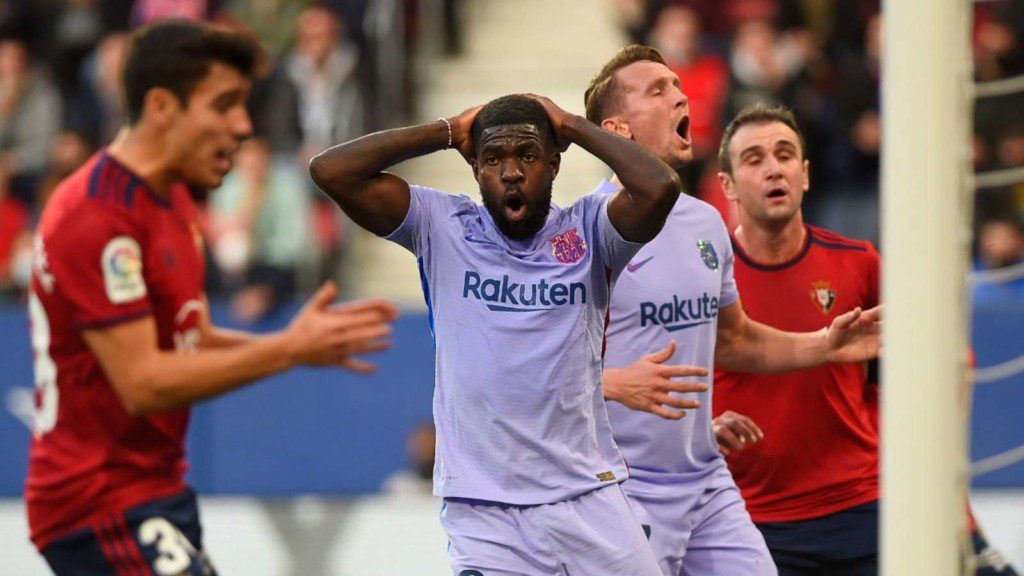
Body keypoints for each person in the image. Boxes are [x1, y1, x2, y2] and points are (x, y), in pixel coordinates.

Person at [25, 21, 397, 576]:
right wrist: (288, 350)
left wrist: (294, 343)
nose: (243, 126)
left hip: (152, 489)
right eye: (224, 105)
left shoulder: (171, 199)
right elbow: (143, 381)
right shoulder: (95, 215)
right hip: (94, 500)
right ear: (160, 106)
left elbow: (189, 339)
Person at [309, 92, 682, 575]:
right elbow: (330, 171)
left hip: (587, 497)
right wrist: (447, 130)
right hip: (486, 512)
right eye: (492, 159)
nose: (511, 172)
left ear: (554, 164)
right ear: (474, 168)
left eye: (528, 156)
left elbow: (660, 187)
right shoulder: (439, 226)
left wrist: (568, 125)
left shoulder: (591, 231)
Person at [583, 46, 881, 576]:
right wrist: (610, 382)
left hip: (706, 480)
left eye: (677, 84)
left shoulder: (704, 223)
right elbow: (529, 370)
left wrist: (824, 345)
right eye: (658, 90)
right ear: (619, 131)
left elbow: (734, 341)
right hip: (623, 488)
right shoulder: (580, 233)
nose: (679, 94)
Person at [712, 104, 1019, 576]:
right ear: (728, 184)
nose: (774, 168)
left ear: (805, 173)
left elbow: (935, 368)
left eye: (785, 154)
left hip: (863, 506)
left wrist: (954, 503)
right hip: (750, 519)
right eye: (753, 159)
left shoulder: (857, 263)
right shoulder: (705, 276)